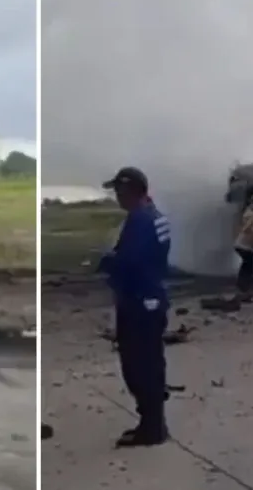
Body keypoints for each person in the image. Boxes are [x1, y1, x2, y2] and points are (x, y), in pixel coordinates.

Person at [98, 166, 171, 447]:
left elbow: (130, 262)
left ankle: (151, 429)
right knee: (152, 364)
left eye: (119, 191)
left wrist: (107, 261)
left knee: (138, 367)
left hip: (139, 303)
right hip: (153, 298)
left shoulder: (140, 220)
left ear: (130, 191)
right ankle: (154, 424)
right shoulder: (155, 216)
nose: (117, 197)